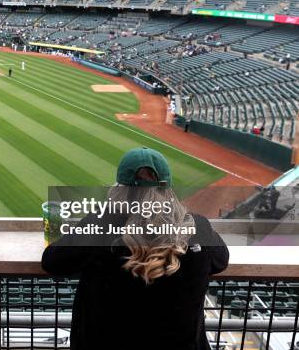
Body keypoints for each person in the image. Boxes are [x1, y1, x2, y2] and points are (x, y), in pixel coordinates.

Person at [42, 148, 229, 350]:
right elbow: (221, 260)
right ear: (167, 189)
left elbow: (52, 261)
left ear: (121, 188)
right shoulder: (199, 227)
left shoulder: (100, 224)